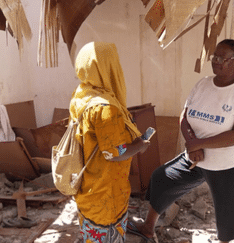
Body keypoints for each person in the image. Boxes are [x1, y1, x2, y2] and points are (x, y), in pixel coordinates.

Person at [126, 39, 234, 243]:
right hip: (196, 157)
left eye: (223, 58)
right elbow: (184, 115)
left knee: (225, 211)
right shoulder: (203, 83)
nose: (216, 61)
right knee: (161, 178)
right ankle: (148, 228)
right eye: (215, 57)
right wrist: (192, 143)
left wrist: (198, 144)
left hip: (227, 164)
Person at [70, 42, 151, 243]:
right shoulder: (106, 109)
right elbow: (114, 153)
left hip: (88, 187)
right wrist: (139, 146)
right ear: (109, 66)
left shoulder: (82, 95)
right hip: (107, 194)